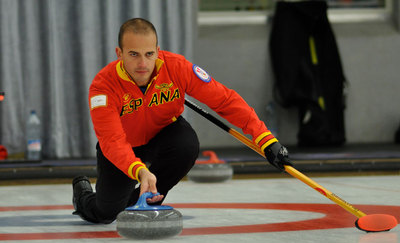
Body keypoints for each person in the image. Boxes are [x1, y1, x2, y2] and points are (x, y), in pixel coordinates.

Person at [72, 18, 292, 223]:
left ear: (158, 51)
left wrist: (266, 140)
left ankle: (145, 201)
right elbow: (111, 140)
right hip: (123, 146)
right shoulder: (103, 87)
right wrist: (139, 170)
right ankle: (83, 194)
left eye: (149, 54)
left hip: (164, 134)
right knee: (105, 214)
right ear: (119, 53)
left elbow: (225, 101)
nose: (143, 63)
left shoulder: (177, 68)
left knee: (186, 145)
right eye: (133, 54)